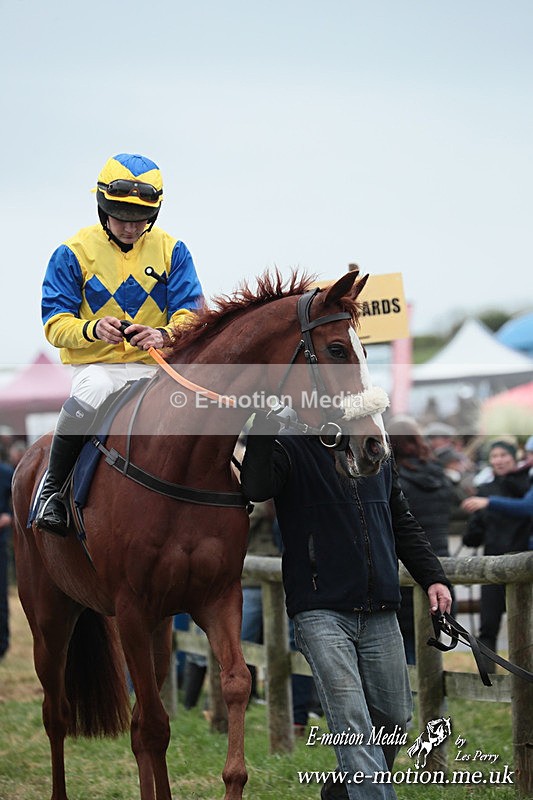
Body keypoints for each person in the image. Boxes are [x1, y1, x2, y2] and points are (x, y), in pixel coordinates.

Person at [240, 418, 452, 800]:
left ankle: (341, 792)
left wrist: (433, 577)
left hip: (380, 607)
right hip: (320, 608)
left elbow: (399, 518)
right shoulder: (288, 443)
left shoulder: (374, 443)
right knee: (352, 721)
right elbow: (255, 487)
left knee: (394, 720)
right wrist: (263, 426)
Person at [36, 153, 203, 536]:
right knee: (94, 388)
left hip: (156, 365)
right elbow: (55, 323)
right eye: (121, 217)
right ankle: (52, 490)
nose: (131, 227)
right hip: (100, 369)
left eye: (140, 219)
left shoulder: (173, 251)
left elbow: (191, 313)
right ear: (102, 208)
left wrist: (164, 334)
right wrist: (93, 330)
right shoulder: (72, 253)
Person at [387, 416, 455, 664]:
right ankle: (435, 702)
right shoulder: (440, 475)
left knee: (406, 645)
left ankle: (416, 699)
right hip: (441, 562)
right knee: (433, 638)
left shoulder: (394, 481)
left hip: (410, 562)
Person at [461, 440, 532, 670]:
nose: (499, 460)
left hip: (525, 564)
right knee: (488, 625)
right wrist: (471, 529)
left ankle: (524, 675)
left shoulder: (525, 485)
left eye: (503, 455)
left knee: (524, 623)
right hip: (491, 564)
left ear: (515, 457)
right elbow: (475, 533)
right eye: (494, 456)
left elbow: (525, 509)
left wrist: (486, 503)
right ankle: (487, 677)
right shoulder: (485, 489)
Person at [0, 447, 14, 659]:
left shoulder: (5, 473)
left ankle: (1, 644)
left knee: (1, 595)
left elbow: (15, 503)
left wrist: (8, 516)